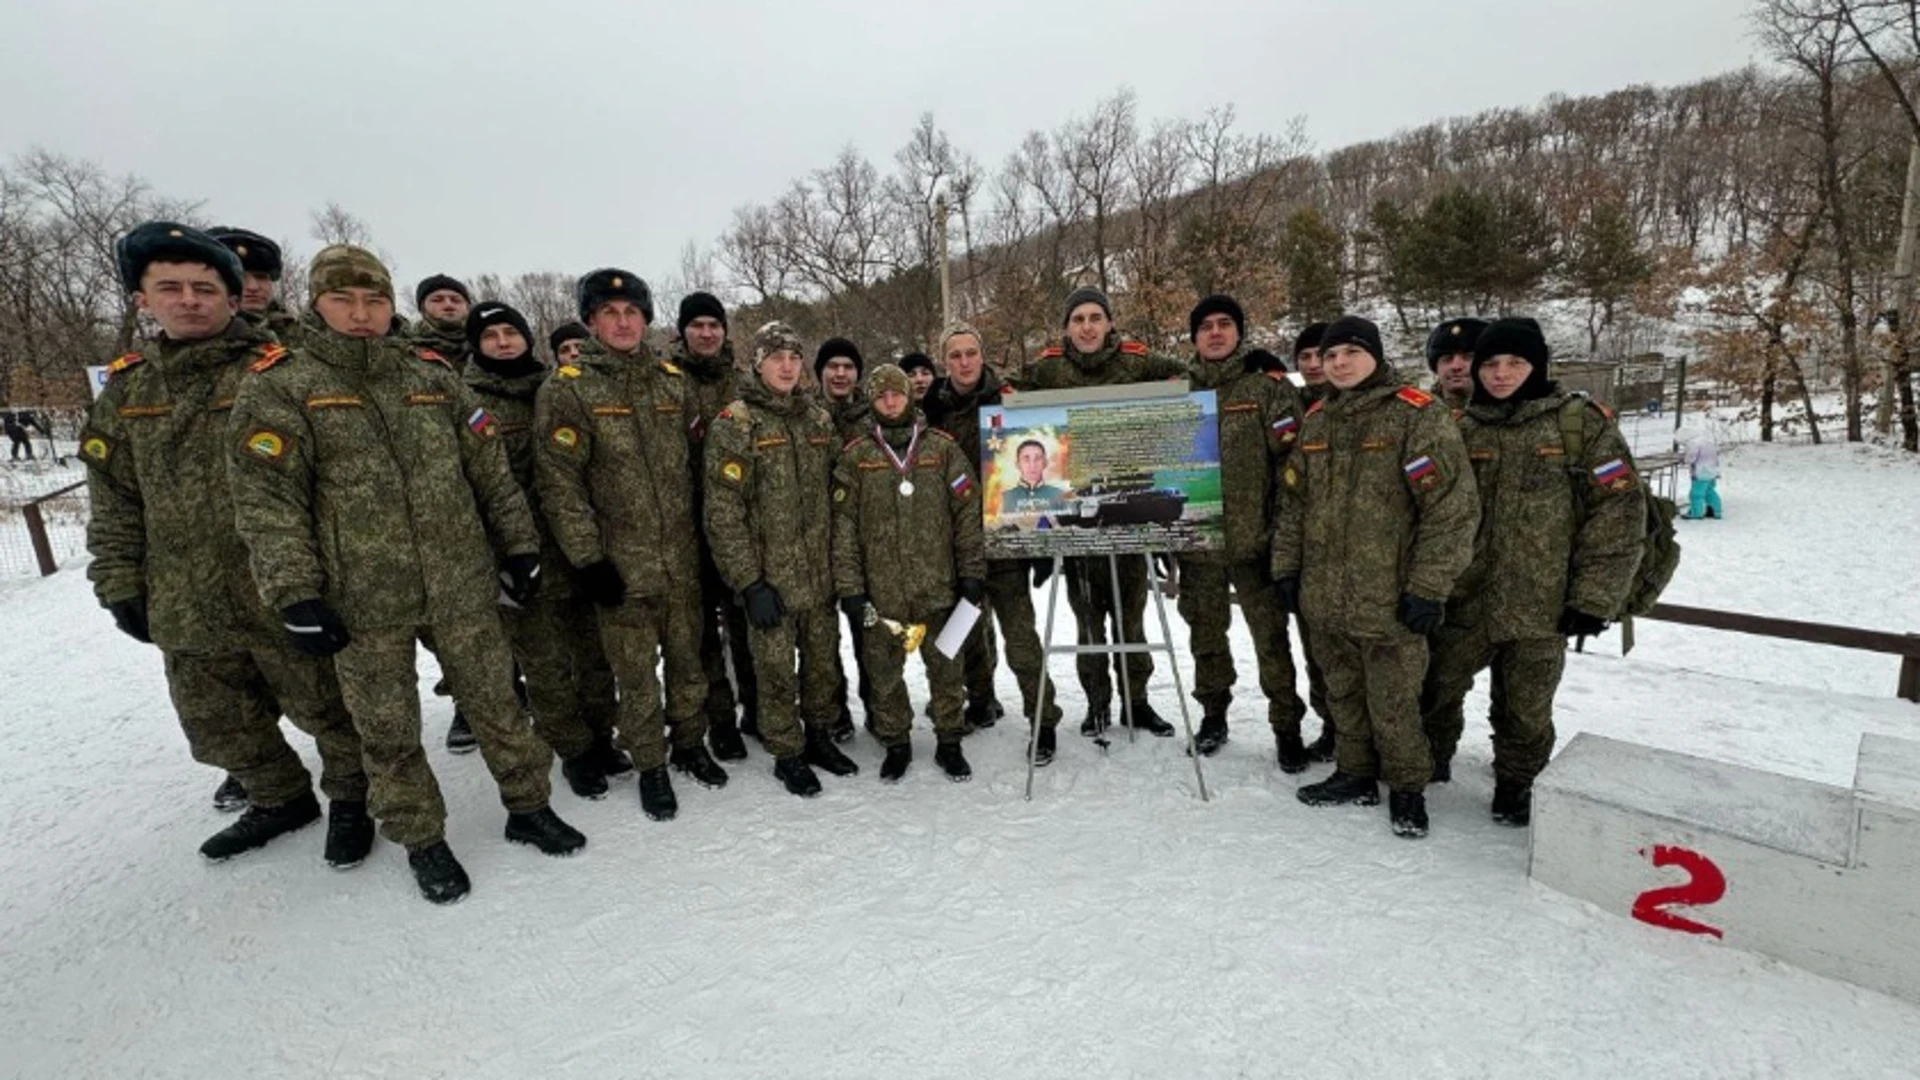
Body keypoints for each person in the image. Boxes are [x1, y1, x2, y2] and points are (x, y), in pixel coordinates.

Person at [227, 243, 583, 905]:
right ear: (317, 303)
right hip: (361, 596)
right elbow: (268, 504)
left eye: (374, 300)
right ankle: (422, 837)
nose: (361, 314)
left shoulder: (432, 377)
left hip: (460, 580)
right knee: (387, 728)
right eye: (344, 300)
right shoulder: (282, 386)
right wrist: (294, 590)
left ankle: (529, 806)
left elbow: (489, 473)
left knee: (498, 706)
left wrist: (519, 546)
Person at [83, 221, 370, 867]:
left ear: (233, 296)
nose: (189, 300)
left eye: (205, 288)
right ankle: (279, 797)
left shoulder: (284, 372)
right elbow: (114, 497)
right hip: (185, 594)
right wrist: (120, 580)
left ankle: (353, 796)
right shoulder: (129, 389)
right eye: (171, 288)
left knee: (328, 706)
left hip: (281, 582)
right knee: (216, 719)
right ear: (142, 300)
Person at [1419, 318, 1646, 825]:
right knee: (1435, 688)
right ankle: (1432, 759)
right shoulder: (1457, 426)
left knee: (1525, 708)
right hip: (1464, 598)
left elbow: (1618, 513)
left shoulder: (1578, 425)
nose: (1500, 374)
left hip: (1541, 603)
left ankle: (1517, 783)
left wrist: (1595, 597)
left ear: (1538, 365)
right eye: (1491, 364)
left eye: (1514, 363)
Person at [1271, 315, 1477, 839]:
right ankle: (1355, 772)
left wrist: (1429, 587)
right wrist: (1287, 569)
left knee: (1395, 699)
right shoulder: (1318, 421)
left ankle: (1408, 788)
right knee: (1341, 691)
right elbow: (1294, 505)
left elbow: (1450, 510)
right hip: (1325, 593)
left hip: (1389, 596)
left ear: (1375, 356)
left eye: (1350, 353)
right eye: (1331, 354)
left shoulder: (1415, 415)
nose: (1338, 363)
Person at [534, 268, 724, 823]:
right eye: (610, 313)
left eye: (632, 313)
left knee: (689, 663)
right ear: (591, 321)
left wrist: (707, 544)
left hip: (682, 560)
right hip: (620, 566)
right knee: (636, 675)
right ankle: (651, 764)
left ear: (646, 319)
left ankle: (690, 744)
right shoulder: (568, 388)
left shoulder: (671, 383)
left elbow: (696, 468)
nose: (622, 322)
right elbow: (558, 483)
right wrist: (588, 558)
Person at [462, 300, 627, 799]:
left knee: (595, 655)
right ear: (477, 345)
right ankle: (574, 750)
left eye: (511, 332)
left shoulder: (558, 389)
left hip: (578, 547)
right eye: (491, 336)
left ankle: (602, 738)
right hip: (515, 553)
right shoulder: (465, 399)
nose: (503, 342)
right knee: (545, 664)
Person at [1019, 285, 1186, 738]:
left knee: (1131, 616)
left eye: (1096, 317)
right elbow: (1008, 393)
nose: (1088, 327)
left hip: (1129, 504)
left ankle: (1137, 702)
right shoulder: (1049, 367)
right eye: (1078, 319)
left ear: (1110, 322)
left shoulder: (1136, 360)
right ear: (1067, 328)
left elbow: (1188, 381)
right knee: (1088, 621)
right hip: (1081, 507)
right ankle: (1097, 704)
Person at [704, 322, 856, 796]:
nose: (787, 366)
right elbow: (721, 511)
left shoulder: (817, 420)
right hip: (769, 580)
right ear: (758, 364)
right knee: (773, 672)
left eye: (794, 357)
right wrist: (748, 582)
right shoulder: (737, 423)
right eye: (776, 357)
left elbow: (840, 492)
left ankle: (818, 737)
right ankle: (787, 753)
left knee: (821, 665)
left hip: (819, 575)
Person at [1177, 295, 1317, 766]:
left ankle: (1286, 725)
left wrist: (1280, 532)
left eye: (1225, 325)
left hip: (1255, 541)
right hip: (1197, 543)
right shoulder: (1178, 390)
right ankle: (1213, 715)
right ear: (1194, 337)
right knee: (1206, 637)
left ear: (1239, 332)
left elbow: (1291, 465)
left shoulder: (1267, 387)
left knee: (1271, 640)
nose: (1215, 333)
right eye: (1206, 327)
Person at [833, 364, 986, 782]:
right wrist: (851, 589)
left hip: (941, 589)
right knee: (883, 673)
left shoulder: (942, 449)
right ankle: (896, 742)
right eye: (881, 395)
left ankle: (949, 742)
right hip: (881, 596)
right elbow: (843, 528)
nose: (889, 401)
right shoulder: (857, 456)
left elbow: (968, 515)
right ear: (872, 400)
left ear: (910, 396)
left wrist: (972, 574)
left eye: (896, 393)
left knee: (948, 668)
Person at [922, 322, 1060, 758]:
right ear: (944, 362)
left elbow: (1043, 461)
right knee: (961, 633)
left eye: (970, 353)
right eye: (955, 355)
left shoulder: (1010, 397)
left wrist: (1039, 541)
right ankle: (979, 701)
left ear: (982, 355)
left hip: (1007, 542)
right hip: (955, 548)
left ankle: (1043, 718)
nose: (964, 362)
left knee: (1020, 637)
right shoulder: (931, 408)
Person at [672, 291, 754, 762]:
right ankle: (718, 719)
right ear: (684, 330)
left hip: (740, 523)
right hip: (685, 528)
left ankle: (757, 710)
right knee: (700, 633)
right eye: (697, 325)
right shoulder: (667, 382)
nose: (706, 333)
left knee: (746, 624)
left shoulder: (743, 384)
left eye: (714, 325)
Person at [816, 335, 873, 739]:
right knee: (822, 642)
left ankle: (878, 706)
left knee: (867, 633)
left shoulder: (874, 418)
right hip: (813, 543)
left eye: (848, 367)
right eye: (833, 366)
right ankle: (833, 713)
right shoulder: (803, 414)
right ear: (819, 372)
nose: (840, 373)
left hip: (864, 545)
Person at [208, 226, 297, 339]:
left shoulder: (299, 335)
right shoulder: (194, 333)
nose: (253, 287)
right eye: (240, 277)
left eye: (261, 277)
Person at [1425, 318, 1486, 415]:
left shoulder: (1513, 416)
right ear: (1435, 367)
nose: (1456, 366)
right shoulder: (1416, 415)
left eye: (1468, 357)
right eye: (1447, 358)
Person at [410, 274, 472, 361]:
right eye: (437, 300)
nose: (448, 305)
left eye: (456, 300)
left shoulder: (488, 347)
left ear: (467, 307)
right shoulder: (403, 350)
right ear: (422, 308)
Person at [1004, 440, 1072, 516]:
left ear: (1045, 463)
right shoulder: (1004, 498)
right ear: (1017, 464)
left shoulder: (1060, 495)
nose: (1032, 465)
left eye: (1037, 459)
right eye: (1026, 459)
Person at [1683, 430, 1723, 520]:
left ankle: (1696, 513)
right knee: (1709, 491)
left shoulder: (1692, 443)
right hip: (1712, 470)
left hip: (1701, 471)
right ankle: (1716, 511)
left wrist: (1685, 459)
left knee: (1696, 494)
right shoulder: (1706, 440)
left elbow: (1691, 457)